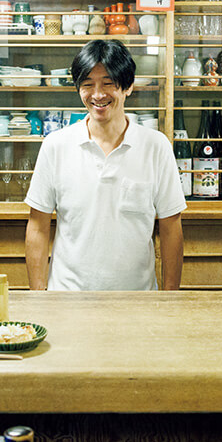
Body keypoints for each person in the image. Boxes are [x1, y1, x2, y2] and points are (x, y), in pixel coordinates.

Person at [25, 39, 185, 290]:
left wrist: (170, 299)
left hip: (137, 301)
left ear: (128, 86)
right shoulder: (56, 145)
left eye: (108, 84)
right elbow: (38, 225)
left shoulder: (156, 146)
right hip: (68, 299)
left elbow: (171, 226)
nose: (98, 95)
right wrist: (38, 296)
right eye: (87, 85)